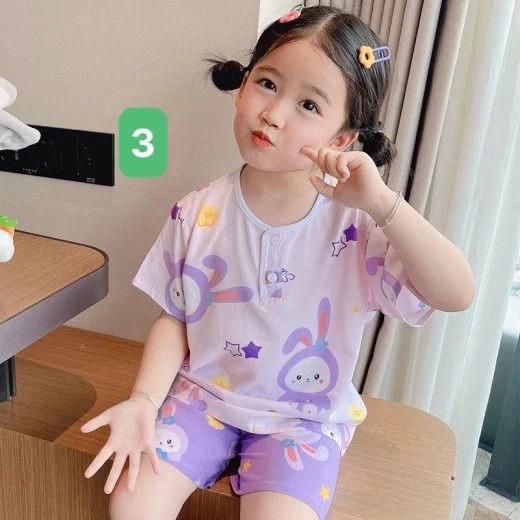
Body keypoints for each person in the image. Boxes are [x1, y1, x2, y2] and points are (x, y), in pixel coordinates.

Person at [80, 4, 476, 519]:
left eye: (309, 104)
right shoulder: (197, 211)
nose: (274, 113)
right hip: (201, 399)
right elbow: (174, 316)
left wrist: (382, 203)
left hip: (302, 421)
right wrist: (143, 400)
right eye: (267, 84)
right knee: (130, 501)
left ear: (342, 139)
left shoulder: (358, 226)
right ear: (242, 87)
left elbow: (458, 294)